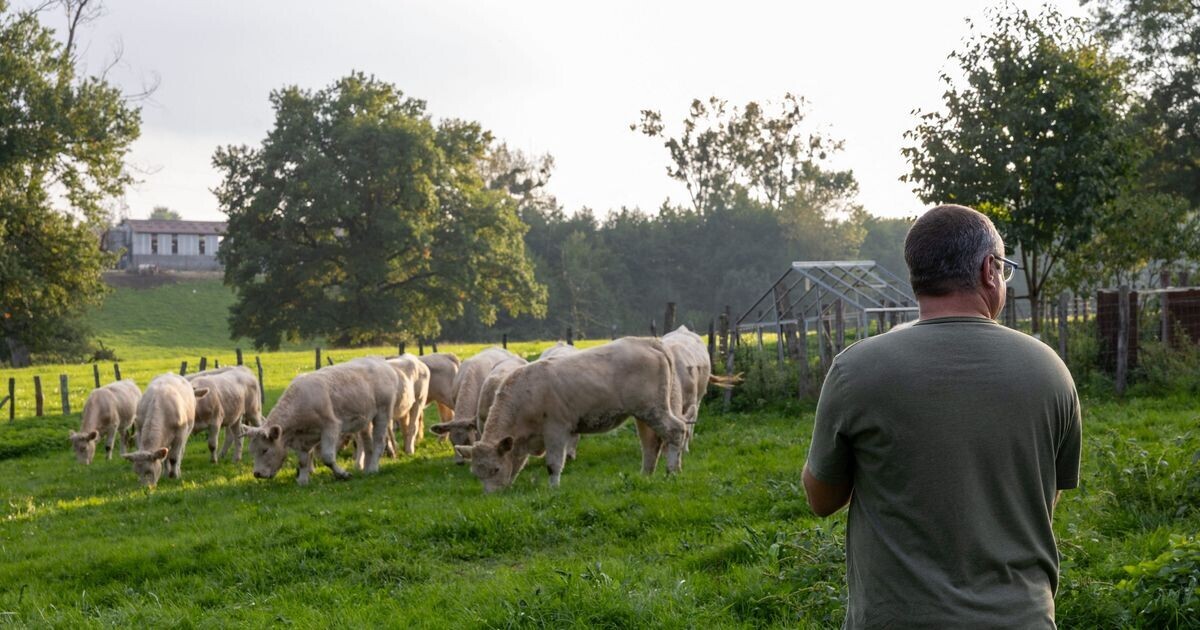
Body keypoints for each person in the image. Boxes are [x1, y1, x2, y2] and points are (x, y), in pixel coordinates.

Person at [803, 204, 1081, 628]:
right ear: (989, 270)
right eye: (1003, 267)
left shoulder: (856, 370)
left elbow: (822, 500)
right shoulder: (1049, 370)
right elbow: (1042, 500)